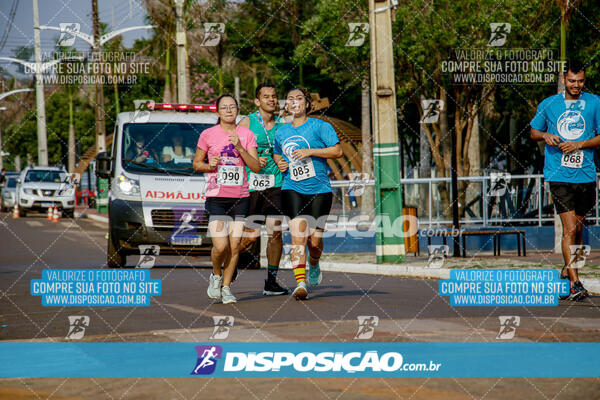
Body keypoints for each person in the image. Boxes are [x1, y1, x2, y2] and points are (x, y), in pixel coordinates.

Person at [530, 60, 600, 301]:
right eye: (572, 81)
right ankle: (575, 283)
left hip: (586, 174)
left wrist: (580, 143)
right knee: (569, 228)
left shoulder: (595, 102)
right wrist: (546, 134)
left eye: (580, 81)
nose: (576, 85)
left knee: (579, 229)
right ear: (563, 79)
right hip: (558, 175)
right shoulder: (549, 104)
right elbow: (533, 131)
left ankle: (570, 271)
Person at [273, 87, 342, 300]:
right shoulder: (281, 131)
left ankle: (314, 263)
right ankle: (300, 284)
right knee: (297, 238)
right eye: (290, 99)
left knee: (314, 242)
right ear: (287, 105)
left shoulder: (321, 127)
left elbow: (337, 151)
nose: (294, 102)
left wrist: (310, 151)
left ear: (307, 104)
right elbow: (277, 153)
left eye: (299, 98)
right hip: (291, 187)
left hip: (319, 190)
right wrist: (280, 162)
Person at [193, 94, 261, 304]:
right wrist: (210, 165)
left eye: (233, 107)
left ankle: (227, 287)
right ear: (218, 111)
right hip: (216, 196)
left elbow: (256, 166)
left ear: (237, 110)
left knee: (235, 245)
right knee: (221, 246)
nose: (229, 110)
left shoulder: (247, 134)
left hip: (240, 197)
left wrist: (240, 147)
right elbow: (197, 164)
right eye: (225, 107)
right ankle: (215, 275)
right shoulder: (207, 134)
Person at [238, 83, 289, 296]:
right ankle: (226, 265)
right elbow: (233, 150)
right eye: (266, 96)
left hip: (276, 184)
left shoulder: (282, 124)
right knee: (250, 237)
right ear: (257, 101)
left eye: (274, 96)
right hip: (251, 185)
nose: (271, 100)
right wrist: (251, 159)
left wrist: (286, 161)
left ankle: (271, 281)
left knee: (275, 232)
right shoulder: (247, 122)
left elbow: (289, 148)